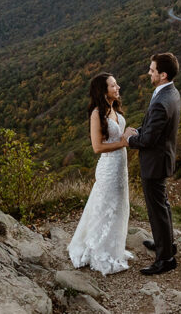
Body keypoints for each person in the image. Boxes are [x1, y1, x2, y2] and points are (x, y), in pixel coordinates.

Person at [68, 72, 134, 275]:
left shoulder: (114, 109)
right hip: (108, 169)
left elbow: (116, 137)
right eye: (113, 86)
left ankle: (114, 248)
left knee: (119, 206)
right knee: (106, 207)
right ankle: (100, 251)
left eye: (116, 84)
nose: (118, 88)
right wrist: (123, 142)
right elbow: (97, 147)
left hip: (120, 168)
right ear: (103, 91)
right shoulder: (97, 113)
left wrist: (129, 135)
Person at [124, 52, 181, 275]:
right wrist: (138, 130)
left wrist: (129, 139)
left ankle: (165, 259)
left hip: (155, 162)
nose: (149, 72)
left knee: (157, 209)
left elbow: (148, 140)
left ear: (163, 75)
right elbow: (154, 128)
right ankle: (165, 245)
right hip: (162, 157)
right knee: (162, 206)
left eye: (152, 70)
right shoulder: (170, 93)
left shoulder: (161, 101)